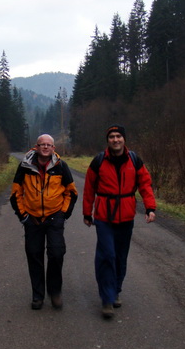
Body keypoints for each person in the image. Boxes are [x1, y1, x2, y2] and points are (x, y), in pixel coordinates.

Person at [83, 125, 156, 319]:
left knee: (121, 257)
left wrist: (150, 207)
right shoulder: (98, 161)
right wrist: (87, 213)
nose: (115, 140)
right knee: (107, 255)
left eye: (119, 136)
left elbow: (145, 183)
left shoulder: (134, 160)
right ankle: (107, 299)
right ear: (108, 141)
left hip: (126, 216)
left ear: (124, 139)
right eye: (112, 137)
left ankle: (115, 291)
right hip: (104, 217)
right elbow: (89, 188)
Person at [10, 134, 78, 310]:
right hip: (32, 219)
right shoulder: (25, 166)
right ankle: (38, 296)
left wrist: (63, 214)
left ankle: (55, 292)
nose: (46, 147)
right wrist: (23, 216)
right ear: (36, 147)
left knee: (57, 254)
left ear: (53, 148)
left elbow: (71, 192)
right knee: (34, 255)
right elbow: (16, 193)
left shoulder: (61, 166)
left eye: (49, 145)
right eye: (43, 145)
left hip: (54, 217)